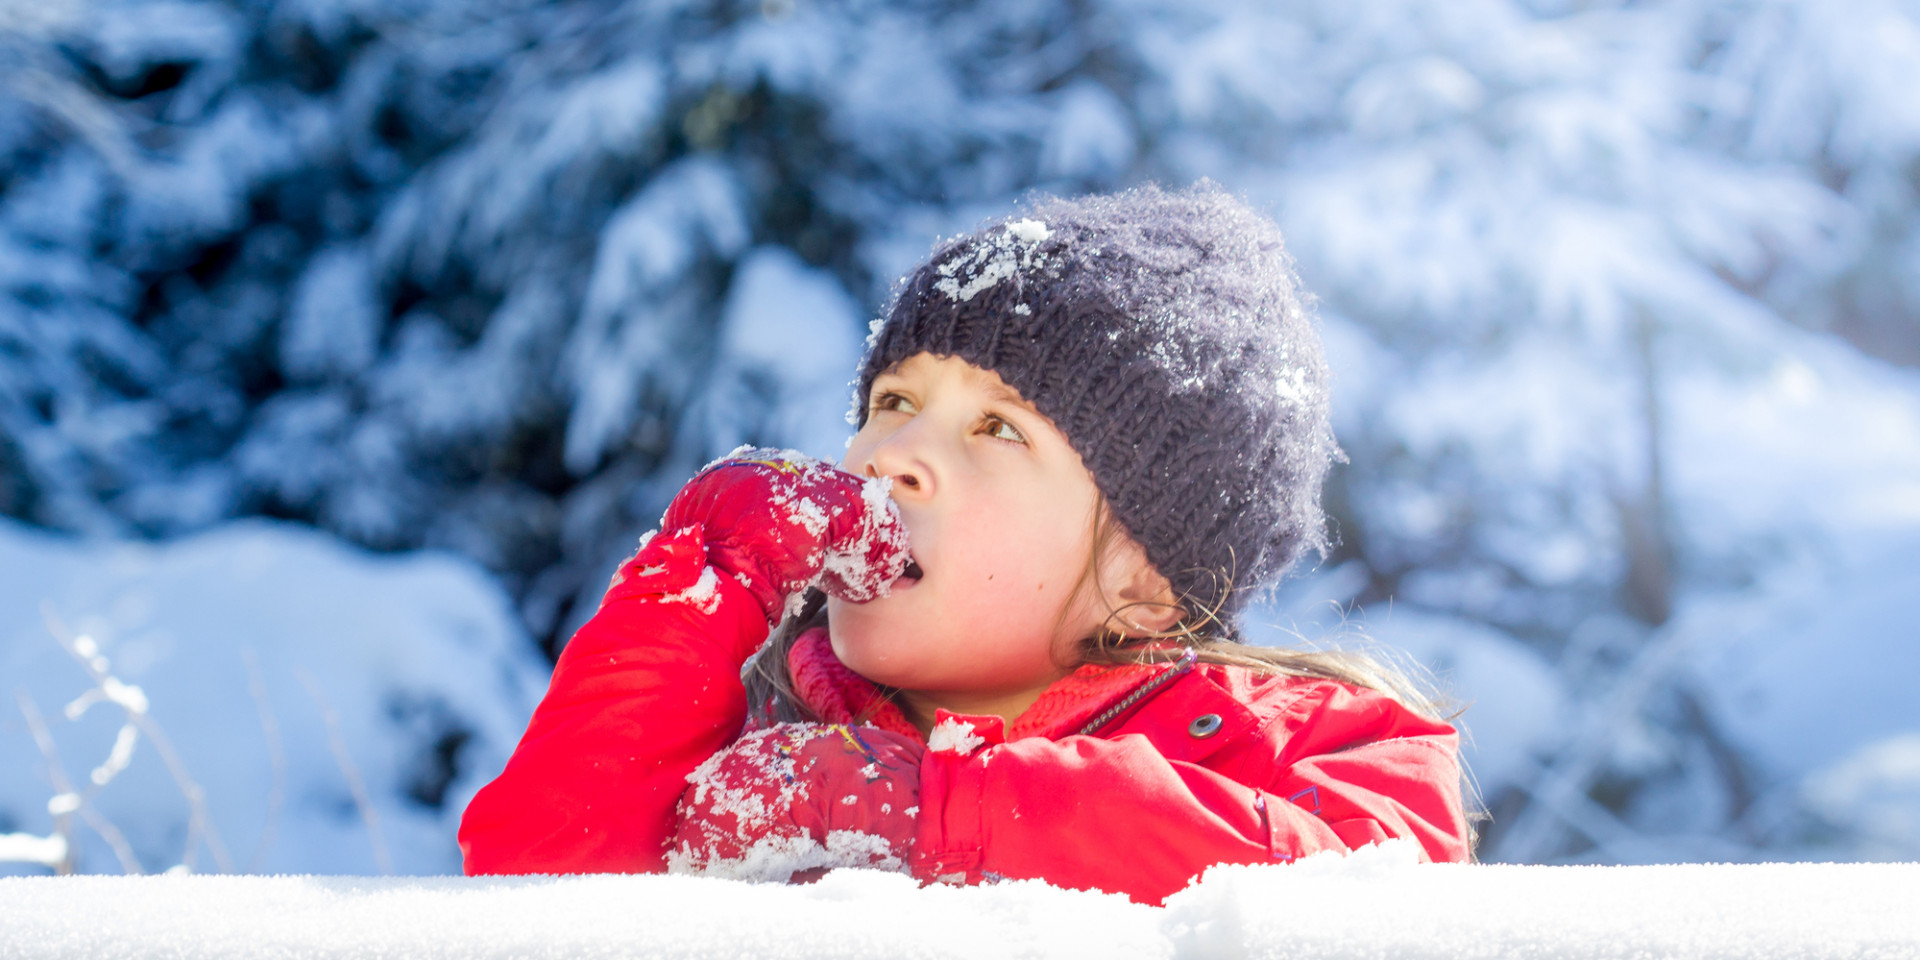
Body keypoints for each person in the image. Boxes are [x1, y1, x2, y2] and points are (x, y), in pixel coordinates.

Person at [458, 184, 1472, 903]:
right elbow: (533, 898)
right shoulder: (758, 754)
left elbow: (1376, 903)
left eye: (997, 427)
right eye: (893, 401)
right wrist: (708, 574)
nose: (893, 454)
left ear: (1145, 574)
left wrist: (943, 806)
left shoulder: (1304, 747)